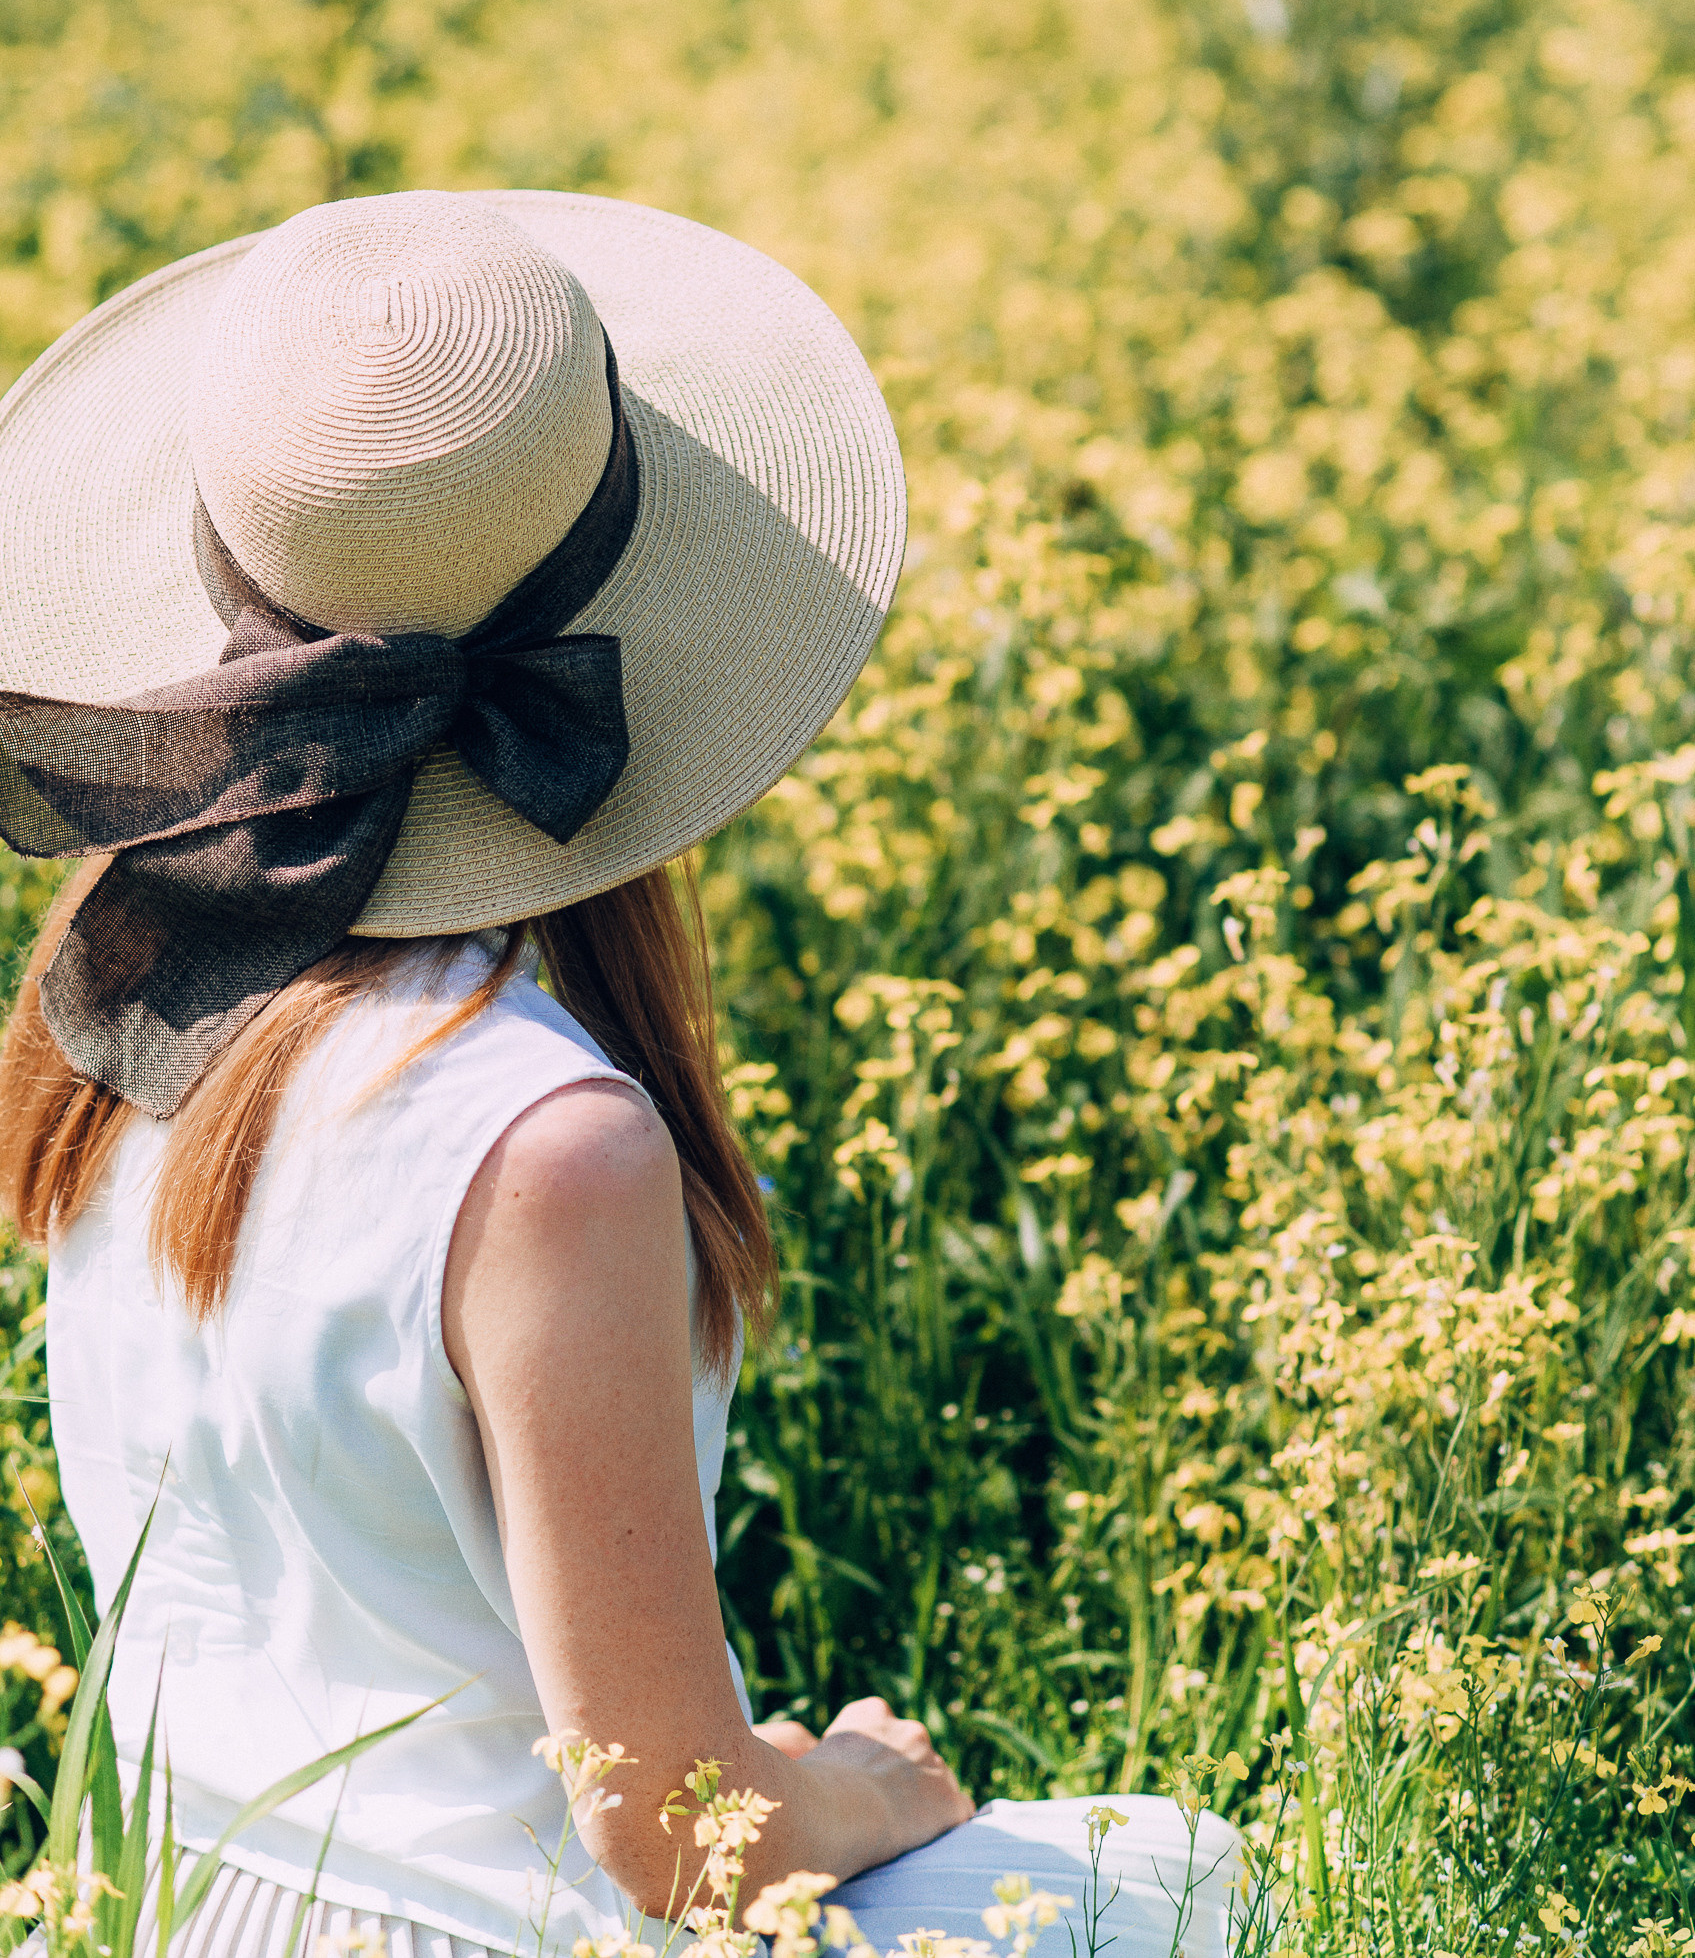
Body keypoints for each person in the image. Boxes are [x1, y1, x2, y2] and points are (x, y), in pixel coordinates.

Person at [0, 191, 1236, 1958]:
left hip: (173, 1914)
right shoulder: (541, 1143)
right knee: (1189, 1877)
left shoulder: (121, 1024)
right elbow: (680, 1847)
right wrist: (873, 1788)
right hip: (500, 1937)